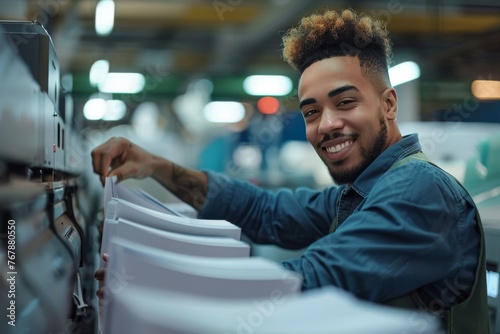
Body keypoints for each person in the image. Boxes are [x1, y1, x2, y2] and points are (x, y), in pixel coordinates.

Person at [91, 8, 489, 333]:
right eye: (312, 112)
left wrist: (152, 287)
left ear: (388, 104)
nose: (327, 124)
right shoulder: (361, 191)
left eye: (345, 102)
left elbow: (315, 277)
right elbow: (266, 212)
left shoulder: (419, 187)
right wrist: (157, 167)